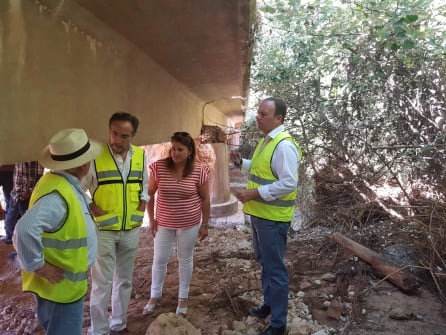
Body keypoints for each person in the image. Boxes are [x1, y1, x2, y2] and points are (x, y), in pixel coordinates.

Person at [13, 128, 102, 335]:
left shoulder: (59, 182)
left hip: (61, 288)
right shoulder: (57, 197)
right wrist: (38, 265)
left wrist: (88, 204)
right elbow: (24, 231)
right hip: (61, 290)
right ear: (82, 165)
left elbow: (73, 198)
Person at [230, 98, 301, 335]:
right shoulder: (266, 141)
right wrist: (243, 163)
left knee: (276, 270)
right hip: (260, 216)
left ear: (278, 118)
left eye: (263, 114)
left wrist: (254, 193)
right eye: (258, 113)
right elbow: (263, 170)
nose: (258, 117)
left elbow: (289, 182)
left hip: (273, 218)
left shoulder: (284, 145)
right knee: (265, 265)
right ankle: (269, 305)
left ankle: (278, 325)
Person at [84, 112, 149, 335]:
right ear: (108, 130)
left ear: (133, 136)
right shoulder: (96, 156)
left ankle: (118, 324)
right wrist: (91, 206)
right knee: (101, 283)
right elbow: (78, 186)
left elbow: (145, 187)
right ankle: (99, 330)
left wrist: (142, 207)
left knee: (124, 280)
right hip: (103, 230)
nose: (117, 140)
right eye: (114, 134)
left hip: (131, 229)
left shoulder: (141, 155)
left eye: (124, 136)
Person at [142, 131, 210, 316]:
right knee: (159, 260)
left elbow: (205, 199)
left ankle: (183, 298)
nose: (175, 153)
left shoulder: (200, 170)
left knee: (185, 259)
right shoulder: (159, 167)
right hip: (163, 222)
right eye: (173, 148)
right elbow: (150, 194)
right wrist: (151, 219)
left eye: (180, 149)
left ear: (189, 151)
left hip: (189, 223)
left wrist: (205, 224)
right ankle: (154, 296)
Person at [3, 161, 44, 244]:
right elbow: (17, 173)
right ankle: (19, 245)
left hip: (26, 195)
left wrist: (29, 191)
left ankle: (25, 246)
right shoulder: (19, 157)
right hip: (16, 193)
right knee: (10, 222)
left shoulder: (34, 158)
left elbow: (38, 175)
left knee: (27, 225)